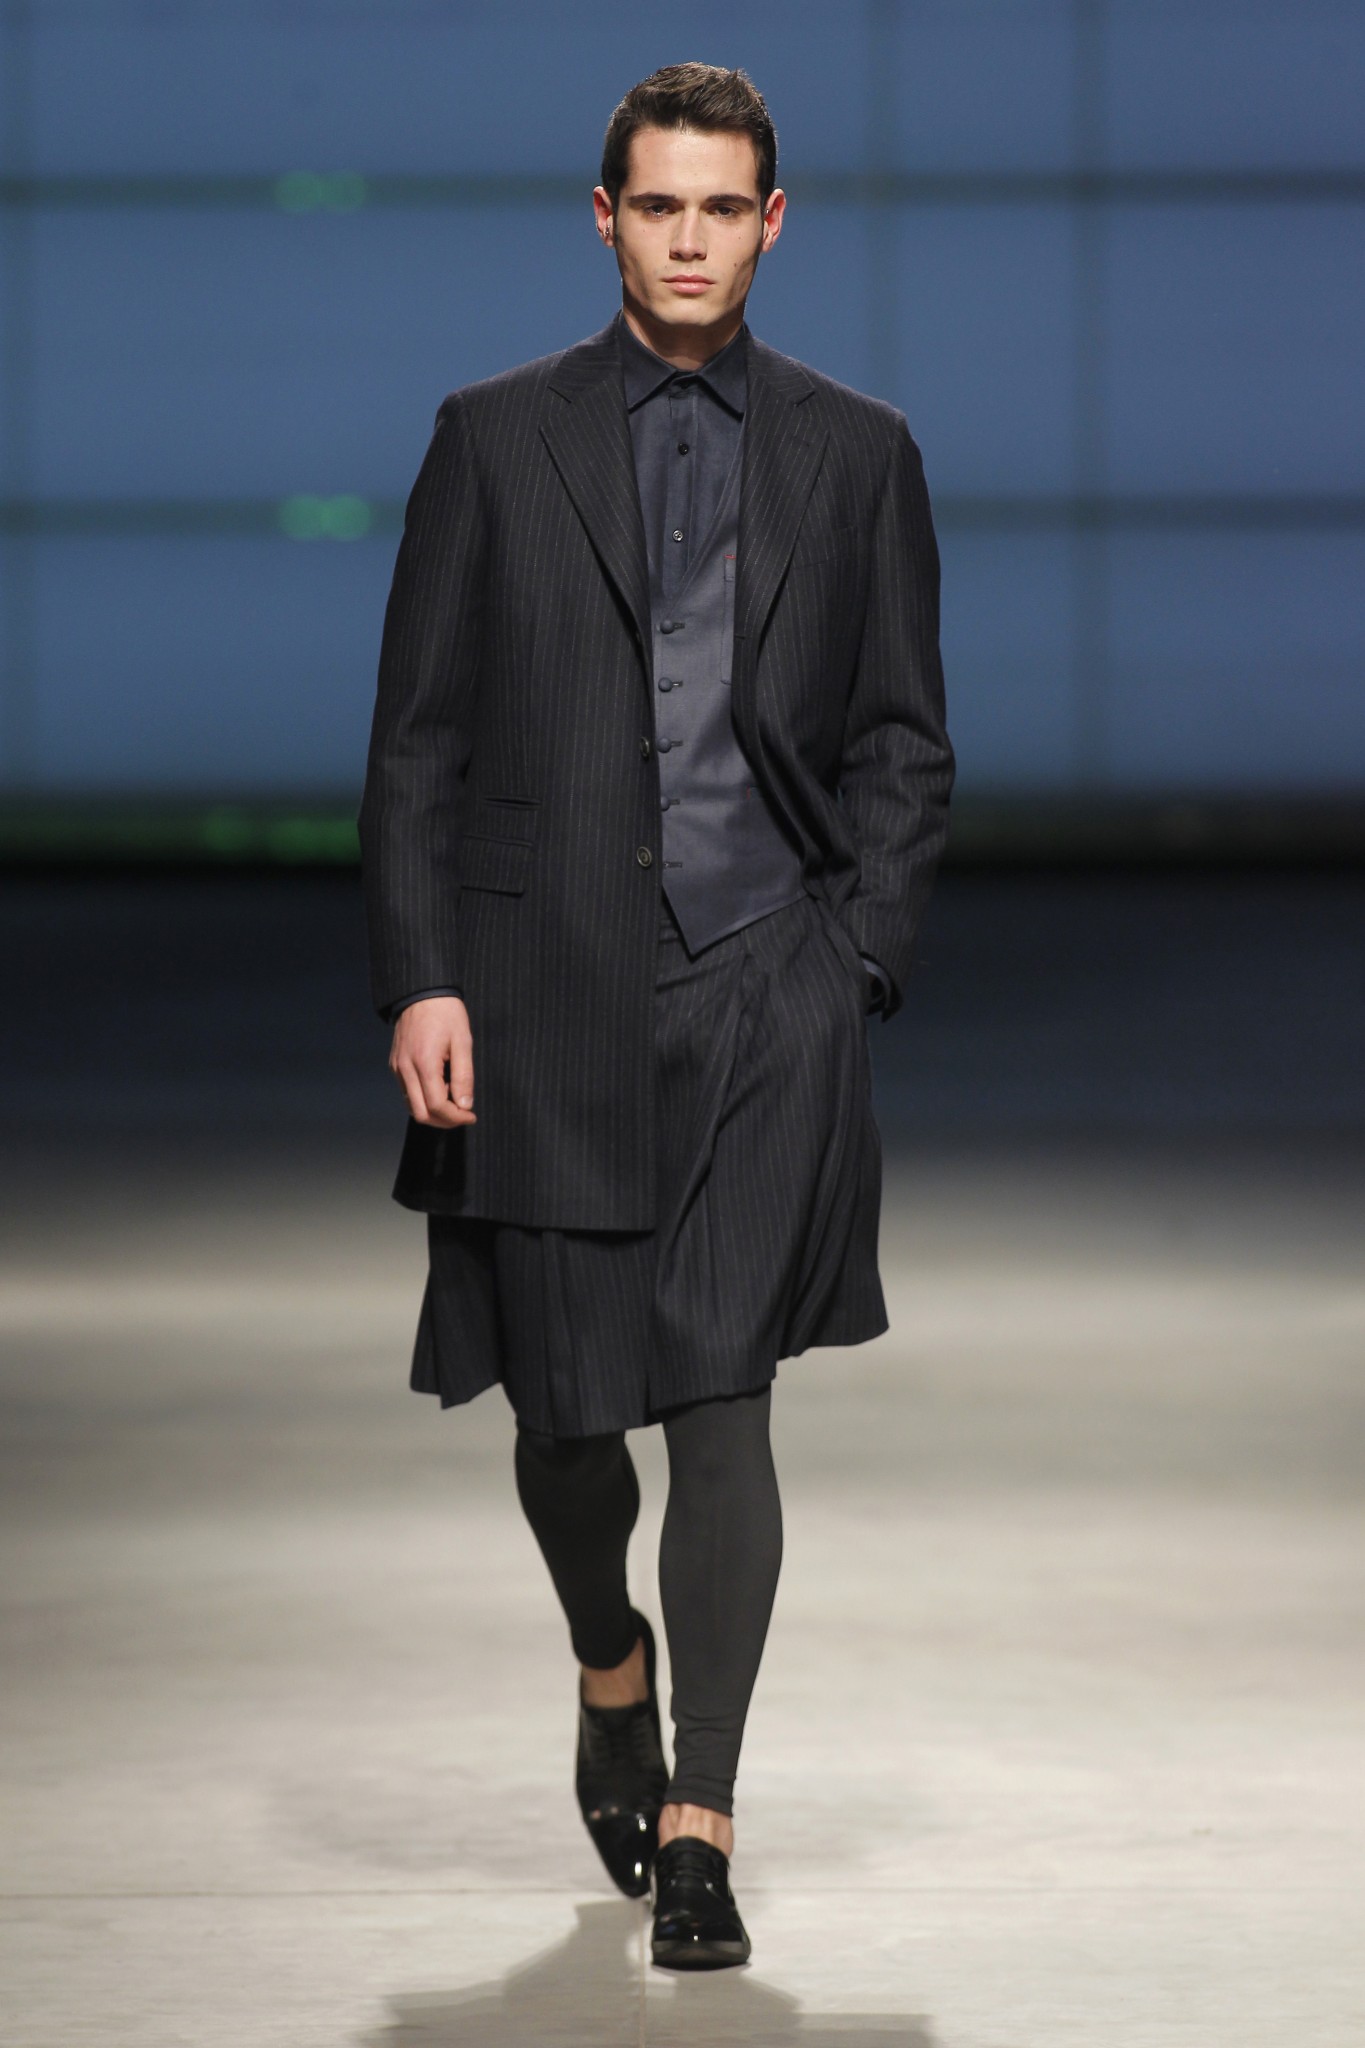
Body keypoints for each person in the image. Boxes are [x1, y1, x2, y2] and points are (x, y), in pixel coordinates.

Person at [358, 61, 953, 1970]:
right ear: (602, 215)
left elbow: (902, 740)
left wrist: (854, 961)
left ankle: (701, 1820)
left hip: (767, 987)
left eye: (721, 209)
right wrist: (424, 973)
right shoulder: (490, 438)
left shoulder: (859, 453)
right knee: (564, 1419)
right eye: (657, 205)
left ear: (771, 224)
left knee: (720, 1397)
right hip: (541, 993)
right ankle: (607, 1660)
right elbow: (418, 741)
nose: (689, 241)